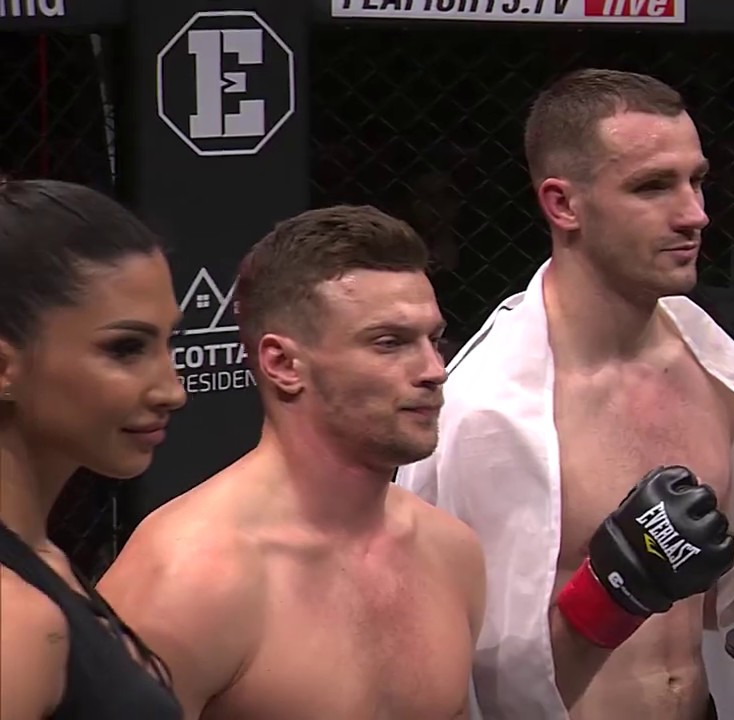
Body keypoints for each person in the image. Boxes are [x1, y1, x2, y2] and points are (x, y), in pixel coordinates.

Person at [395, 68, 734, 720]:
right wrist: (610, 594)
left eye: (696, 180)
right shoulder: (485, 411)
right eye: (653, 186)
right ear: (563, 205)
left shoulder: (719, 371)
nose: (695, 214)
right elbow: (442, 671)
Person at [97, 205, 483, 719]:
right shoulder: (189, 578)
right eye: (389, 343)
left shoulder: (451, 552)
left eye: (432, 339)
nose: (434, 370)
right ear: (282, 363)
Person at [0, 179, 186, 719]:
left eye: (169, 342)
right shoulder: (14, 622)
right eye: (125, 349)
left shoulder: (44, 562)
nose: (173, 390)